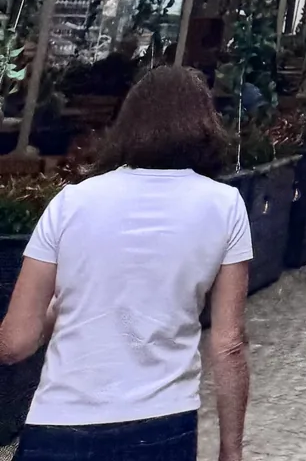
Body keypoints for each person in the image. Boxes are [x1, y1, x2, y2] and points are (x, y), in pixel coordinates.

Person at [0, 66, 252, 461]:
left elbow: (15, 342)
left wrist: (58, 311)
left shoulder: (71, 203)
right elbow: (229, 345)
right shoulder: (224, 206)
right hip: (161, 424)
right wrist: (230, 451)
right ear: (205, 126)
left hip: (59, 424)